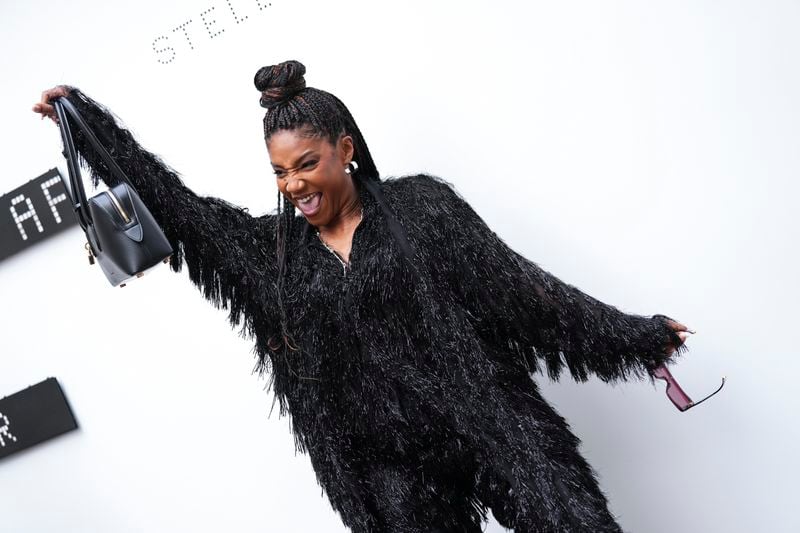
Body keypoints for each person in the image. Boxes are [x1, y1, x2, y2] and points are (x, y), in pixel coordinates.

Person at [33, 60, 691, 533]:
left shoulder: (424, 207)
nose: (293, 184)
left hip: (492, 421)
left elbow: (523, 290)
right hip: (392, 468)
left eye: (307, 163)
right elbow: (176, 208)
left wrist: (638, 335)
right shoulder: (271, 255)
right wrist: (87, 125)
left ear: (344, 149)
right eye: (280, 172)